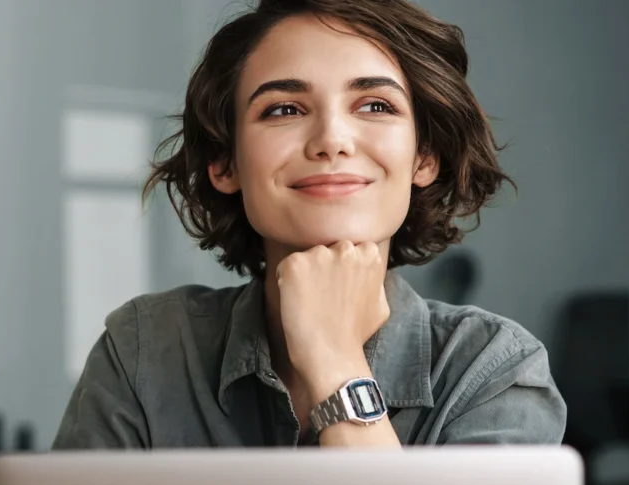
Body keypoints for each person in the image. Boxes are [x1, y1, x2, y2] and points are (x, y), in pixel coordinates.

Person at [53, 0, 566, 451]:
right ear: (225, 163)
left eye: (375, 105)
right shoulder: (141, 352)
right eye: (283, 109)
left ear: (423, 157)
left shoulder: (494, 371)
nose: (332, 139)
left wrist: (334, 359)